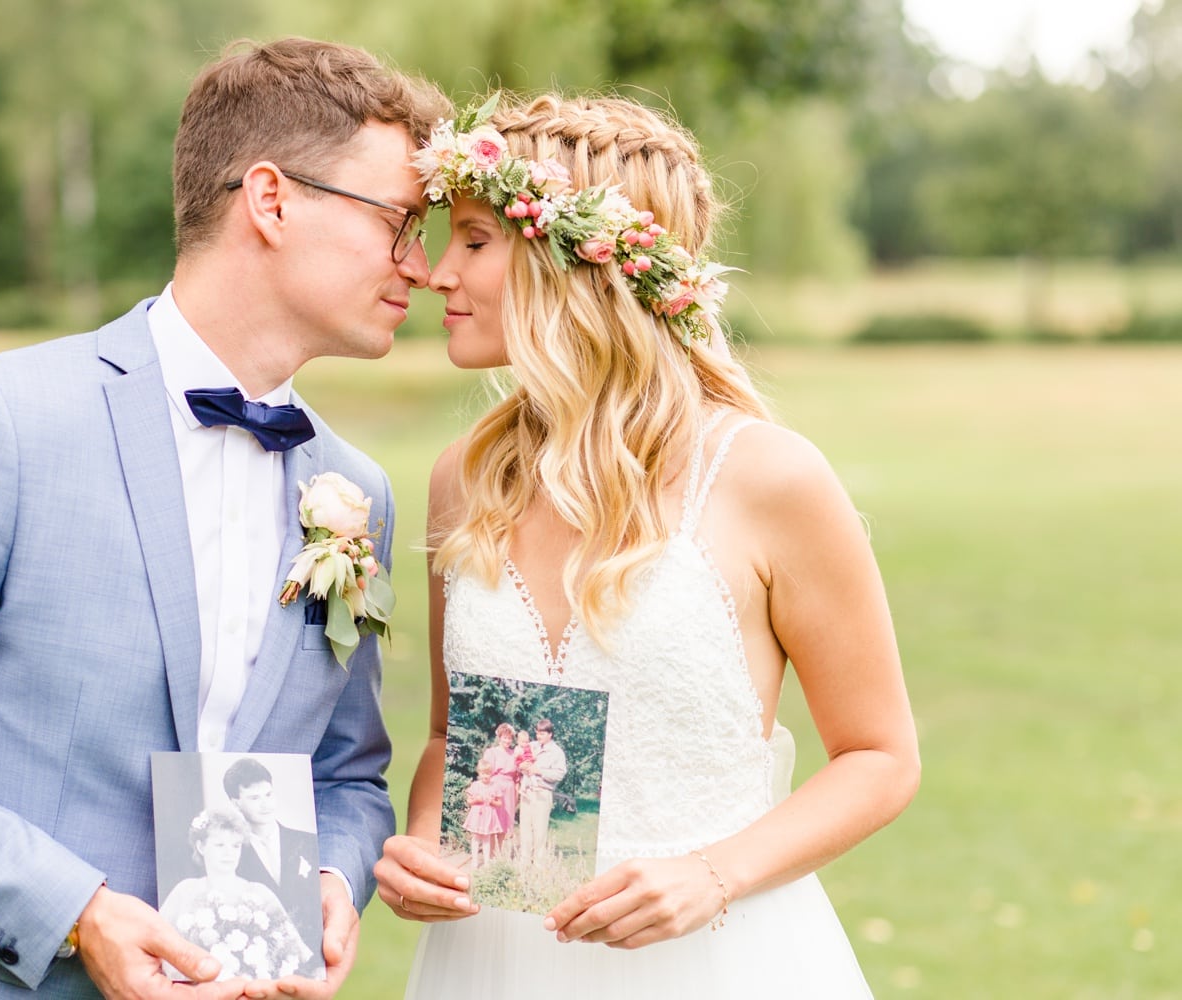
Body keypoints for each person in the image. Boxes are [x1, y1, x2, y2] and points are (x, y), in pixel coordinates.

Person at [0, 37, 447, 1000]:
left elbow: (344, 774)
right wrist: (75, 911)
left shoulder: (353, 490)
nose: (423, 266)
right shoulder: (3, 419)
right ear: (271, 199)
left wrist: (330, 881)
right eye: (401, 222)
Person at [373, 94, 920, 997]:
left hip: (712, 958)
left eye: (472, 240)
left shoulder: (769, 480)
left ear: (575, 260)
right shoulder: (462, 480)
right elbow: (448, 733)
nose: (436, 273)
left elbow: (881, 758)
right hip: (493, 960)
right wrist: (426, 838)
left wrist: (712, 877)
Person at [159, 807, 315, 982]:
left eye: (236, 845)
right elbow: (157, 943)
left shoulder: (260, 893)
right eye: (220, 845)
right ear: (201, 847)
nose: (229, 853)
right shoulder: (185, 891)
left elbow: (296, 952)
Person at [221, 757, 322, 952]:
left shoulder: (308, 842)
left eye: (268, 794)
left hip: (312, 954)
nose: (265, 804)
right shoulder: (231, 854)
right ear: (236, 803)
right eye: (254, 798)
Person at [516, 719, 567, 866]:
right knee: (525, 828)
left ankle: (538, 865)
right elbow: (519, 760)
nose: (539, 736)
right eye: (537, 733)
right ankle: (524, 862)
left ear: (550, 734)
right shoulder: (531, 746)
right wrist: (522, 765)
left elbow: (559, 774)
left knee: (540, 831)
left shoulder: (557, 752)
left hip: (542, 793)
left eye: (542, 734)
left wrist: (539, 771)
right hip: (527, 792)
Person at [477, 722, 518, 853]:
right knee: (493, 818)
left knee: (505, 821)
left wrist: (517, 793)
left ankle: (498, 852)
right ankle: (489, 851)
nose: (507, 740)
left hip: (509, 789)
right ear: (499, 737)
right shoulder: (491, 752)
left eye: (510, 738)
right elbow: (485, 772)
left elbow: (518, 776)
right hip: (495, 786)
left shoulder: (514, 754)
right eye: (505, 737)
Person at [460, 759, 503, 868]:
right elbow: (469, 801)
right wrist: (476, 800)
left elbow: (499, 803)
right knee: (476, 838)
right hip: (477, 815)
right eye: (483, 773)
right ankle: (474, 860)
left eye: (488, 774)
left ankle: (487, 861)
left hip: (489, 815)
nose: (485, 776)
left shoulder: (494, 786)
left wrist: (492, 801)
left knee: (487, 839)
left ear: (491, 773)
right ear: (479, 773)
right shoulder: (475, 785)